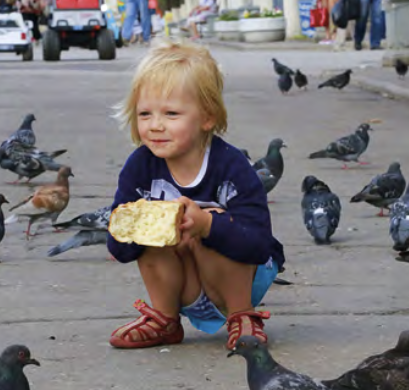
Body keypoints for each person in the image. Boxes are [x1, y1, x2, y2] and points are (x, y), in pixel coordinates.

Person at [107, 39, 285, 351]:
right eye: (145, 113)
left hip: (238, 278)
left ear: (207, 117)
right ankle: (165, 317)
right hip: (183, 283)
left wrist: (207, 226)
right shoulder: (140, 166)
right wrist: (136, 227)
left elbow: (258, 245)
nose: (155, 125)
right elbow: (118, 250)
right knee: (149, 223)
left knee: (214, 219)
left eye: (171, 114)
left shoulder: (232, 167)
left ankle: (242, 315)